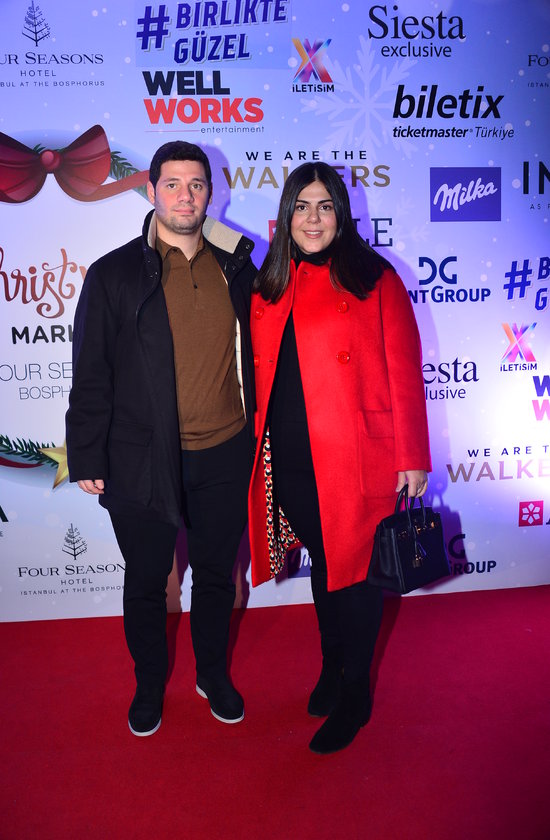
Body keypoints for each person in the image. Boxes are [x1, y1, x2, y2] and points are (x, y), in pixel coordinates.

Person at [65, 141, 258, 737]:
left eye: (196, 184)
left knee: (218, 577)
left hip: (225, 452)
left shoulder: (238, 267)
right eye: (172, 184)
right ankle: (149, 684)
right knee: (147, 582)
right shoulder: (113, 273)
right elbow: (91, 371)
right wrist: (87, 453)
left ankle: (212, 675)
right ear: (151, 191)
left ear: (211, 193)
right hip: (141, 459)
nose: (185, 196)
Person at [248, 162, 431, 754]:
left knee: (355, 578)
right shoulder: (270, 283)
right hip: (293, 460)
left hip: (357, 457)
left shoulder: (374, 277)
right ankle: (332, 666)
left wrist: (412, 455)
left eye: (325, 206)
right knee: (327, 568)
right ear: (286, 216)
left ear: (342, 214)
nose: (313, 219)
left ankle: (356, 693)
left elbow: (405, 373)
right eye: (301, 206)